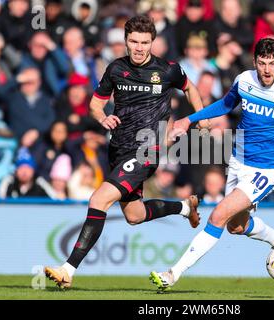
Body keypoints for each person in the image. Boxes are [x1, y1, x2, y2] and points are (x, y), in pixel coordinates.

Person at [150, 37, 274, 291]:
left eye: (272, 63)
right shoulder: (244, 80)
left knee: (217, 216)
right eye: (262, 63)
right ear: (255, 62)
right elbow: (226, 104)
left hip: (266, 170)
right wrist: (188, 120)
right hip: (237, 161)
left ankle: (172, 273)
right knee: (236, 226)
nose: (267, 69)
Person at [43, 15, 210, 289]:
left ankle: (67, 269)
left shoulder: (168, 70)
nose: (140, 47)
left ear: (153, 42)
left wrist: (200, 117)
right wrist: (102, 118)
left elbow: (190, 87)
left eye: (145, 42)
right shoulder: (115, 69)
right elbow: (95, 105)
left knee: (98, 200)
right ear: (126, 41)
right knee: (134, 215)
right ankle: (183, 207)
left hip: (148, 148)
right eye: (134, 41)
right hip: (119, 148)